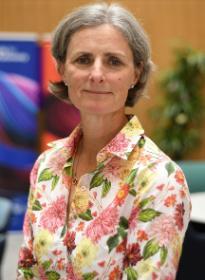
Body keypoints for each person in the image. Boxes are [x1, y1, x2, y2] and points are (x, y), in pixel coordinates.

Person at [17, 2, 191, 279]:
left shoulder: (161, 179)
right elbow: (28, 269)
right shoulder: (46, 166)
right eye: (83, 59)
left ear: (135, 74)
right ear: (62, 69)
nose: (96, 74)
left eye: (113, 61)